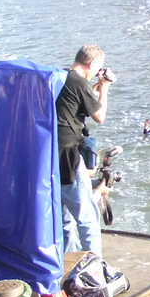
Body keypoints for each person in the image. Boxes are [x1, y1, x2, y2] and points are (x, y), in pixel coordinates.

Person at [56, 44, 112, 257]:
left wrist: (97, 86)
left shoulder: (61, 77)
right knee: (88, 218)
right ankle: (94, 267)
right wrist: (105, 88)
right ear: (93, 63)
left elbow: (78, 99)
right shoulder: (79, 82)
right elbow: (99, 116)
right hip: (69, 156)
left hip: (51, 154)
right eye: (98, 67)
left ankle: (69, 263)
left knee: (65, 219)